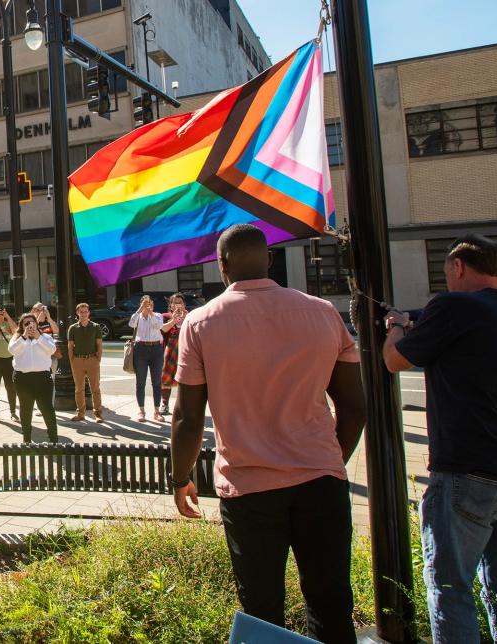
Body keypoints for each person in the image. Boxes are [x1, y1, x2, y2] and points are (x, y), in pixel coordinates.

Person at [170, 224, 366, 643]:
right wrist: (332, 459)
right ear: (270, 261)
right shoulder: (322, 312)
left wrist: (180, 477)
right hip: (320, 479)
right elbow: (354, 406)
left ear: (222, 266)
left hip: (249, 488)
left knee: (261, 610)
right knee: (331, 602)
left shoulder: (201, 323)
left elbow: (187, 418)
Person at [383, 234, 497, 643]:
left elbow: (395, 360)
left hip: (467, 474)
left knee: (451, 589)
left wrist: (395, 327)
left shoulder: (452, 306)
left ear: (459, 266)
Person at [9, 313, 59, 443]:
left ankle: (53, 439)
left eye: (31, 322)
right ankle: (27, 438)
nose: (29, 325)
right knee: (26, 409)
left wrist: (38, 337)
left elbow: (51, 350)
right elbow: (12, 350)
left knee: (47, 409)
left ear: (36, 323)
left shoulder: (46, 337)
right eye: (26, 323)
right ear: (22, 326)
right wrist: (24, 337)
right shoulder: (17, 338)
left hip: (42, 378)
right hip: (22, 379)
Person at [129, 295, 164, 423]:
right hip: (141, 349)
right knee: (140, 382)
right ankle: (141, 410)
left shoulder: (157, 315)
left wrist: (150, 313)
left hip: (156, 349)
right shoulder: (137, 317)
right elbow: (131, 323)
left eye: (150, 303)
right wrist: (140, 309)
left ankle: (156, 411)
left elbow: (159, 326)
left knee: (156, 381)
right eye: (145, 303)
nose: (148, 305)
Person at [67, 302, 104, 423]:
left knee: (95, 388)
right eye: (81, 312)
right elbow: (70, 346)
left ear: (89, 313)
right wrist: (72, 360)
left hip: (92, 359)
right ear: (77, 313)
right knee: (79, 389)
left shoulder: (95, 326)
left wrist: (98, 359)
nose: (83, 314)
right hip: (78, 360)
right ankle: (80, 413)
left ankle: (98, 414)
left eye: (85, 311)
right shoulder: (73, 328)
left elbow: (99, 344)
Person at [159, 293, 188, 415]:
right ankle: (164, 404)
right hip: (169, 352)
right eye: (175, 302)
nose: (177, 305)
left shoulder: (190, 316)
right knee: (166, 377)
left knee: (186, 378)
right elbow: (162, 329)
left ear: (184, 304)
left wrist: (186, 318)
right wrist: (174, 320)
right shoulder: (165, 316)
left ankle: (184, 405)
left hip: (187, 352)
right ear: (170, 305)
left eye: (180, 302)